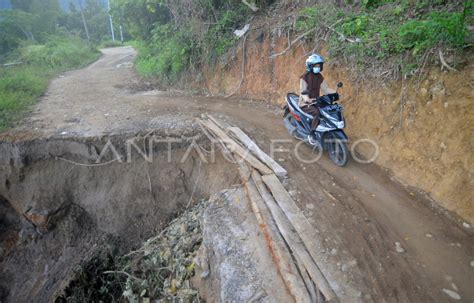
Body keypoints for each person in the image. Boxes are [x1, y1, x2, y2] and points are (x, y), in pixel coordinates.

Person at [299, 54, 339, 144]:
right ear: (310, 66)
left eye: (319, 65)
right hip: (305, 103)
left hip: (316, 100)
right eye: (315, 65)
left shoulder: (319, 76)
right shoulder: (304, 78)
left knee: (328, 110)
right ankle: (312, 133)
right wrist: (307, 99)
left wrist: (335, 93)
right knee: (317, 113)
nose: (318, 67)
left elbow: (325, 89)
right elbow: (303, 91)